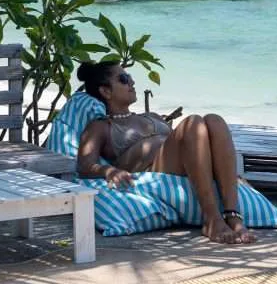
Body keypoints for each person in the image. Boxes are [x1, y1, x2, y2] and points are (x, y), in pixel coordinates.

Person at [76, 61, 256, 244]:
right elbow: (84, 165)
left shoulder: (150, 116)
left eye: (130, 78)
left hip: (180, 163)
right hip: (151, 167)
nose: (132, 83)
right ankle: (212, 220)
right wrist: (109, 171)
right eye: (123, 79)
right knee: (192, 122)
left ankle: (233, 215)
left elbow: (186, 142)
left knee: (214, 120)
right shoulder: (101, 126)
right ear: (106, 92)